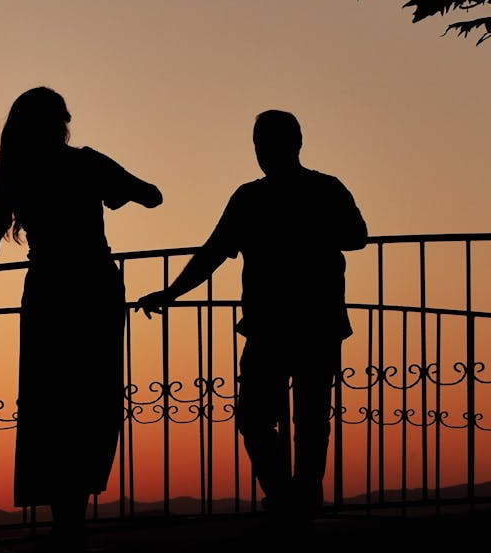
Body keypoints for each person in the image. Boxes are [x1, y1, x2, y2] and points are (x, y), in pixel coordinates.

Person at [0, 86, 163, 544]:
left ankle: (64, 513)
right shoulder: (85, 163)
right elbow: (152, 196)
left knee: (50, 400)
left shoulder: (15, 174)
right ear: (60, 123)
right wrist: (117, 186)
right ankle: (75, 507)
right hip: (94, 286)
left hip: (48, 289)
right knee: (92, 395)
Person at [135, 110, 367, 523]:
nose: (263, 152)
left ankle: (290, 498)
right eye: (260, 144)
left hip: (283, 323)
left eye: (266, 143)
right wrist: (171, 292)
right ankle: (297, 496)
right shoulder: (308, 190)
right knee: (293, 418)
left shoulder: (260, 197)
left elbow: (356, 236)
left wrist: (171, 293)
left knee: (279, 418)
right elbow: (213, 253)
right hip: (305, 321)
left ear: (292, 144)